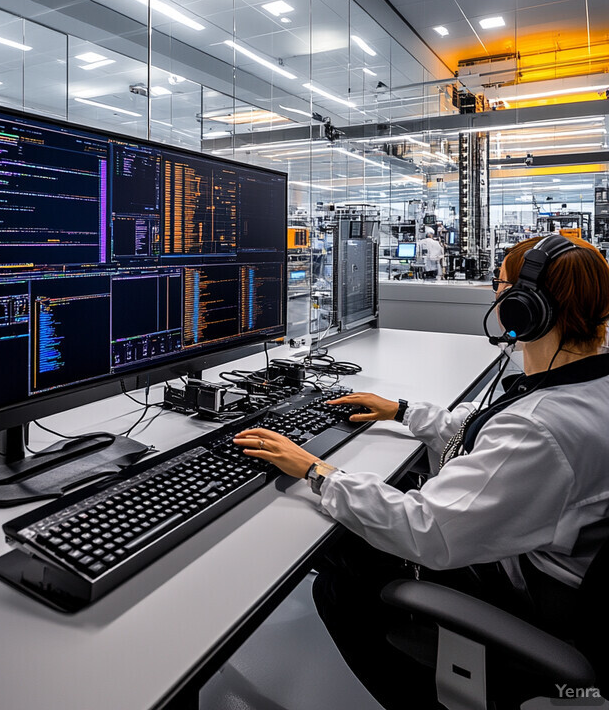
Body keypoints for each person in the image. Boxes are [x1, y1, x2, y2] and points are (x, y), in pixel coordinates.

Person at [234, 235, 609, 707]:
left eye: (502, 287)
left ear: (523, 309)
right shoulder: (585, 386)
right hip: (549, 562)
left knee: (338, 568)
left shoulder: (541, 431)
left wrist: (315, 470)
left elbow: (425, 530)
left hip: (523, 590)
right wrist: (402, 410)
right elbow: (482, 429)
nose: (496, 298)